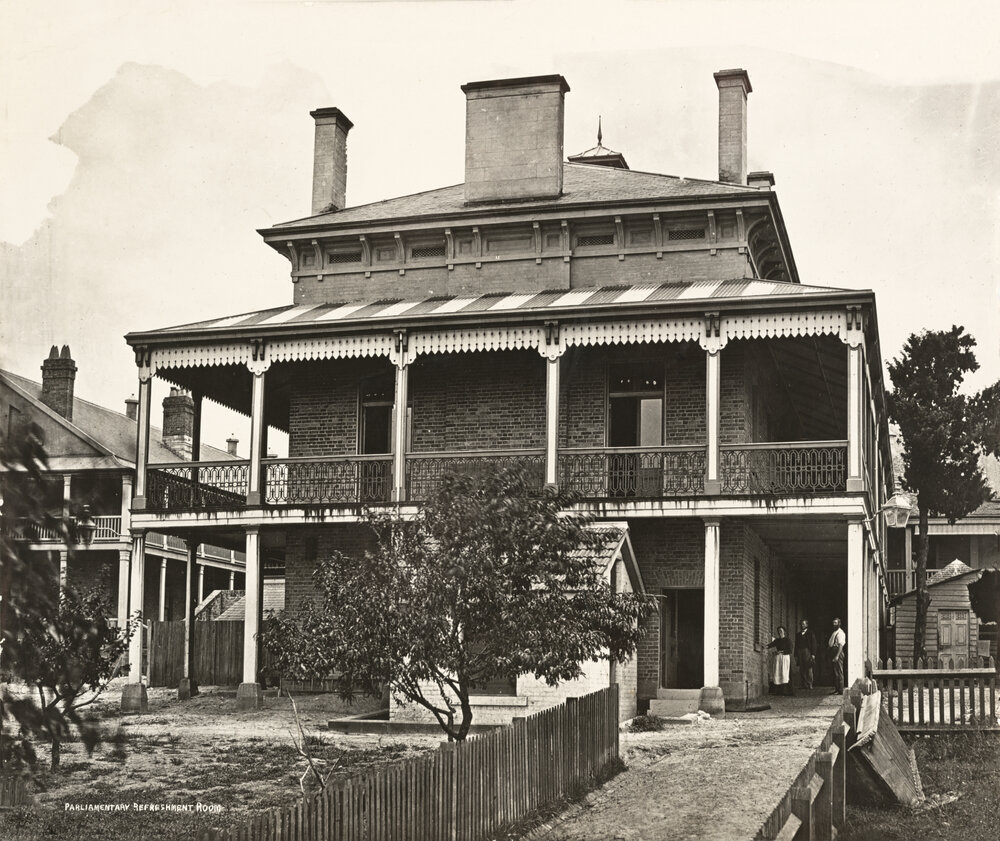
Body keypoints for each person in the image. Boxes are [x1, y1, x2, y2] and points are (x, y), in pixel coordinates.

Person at [766, 626, 794, 696]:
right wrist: (765, 646)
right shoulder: (777, 640)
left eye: (781, 631)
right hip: (778, 658)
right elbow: (771, 645)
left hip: (785, 658)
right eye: (779, 631)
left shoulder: (788, 640)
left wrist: (782, 651)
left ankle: (785, 691)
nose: (780, 632)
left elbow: (790, 650)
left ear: (784, 631)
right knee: (777, 671)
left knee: (784, 672)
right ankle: (778, 691)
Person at [795, 619, 818, 689]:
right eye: (801, 624)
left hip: (807, 652)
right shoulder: (798, 634)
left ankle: (810, 684)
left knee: (809, 668)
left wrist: (813, 654)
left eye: (804, 624)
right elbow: (796, 645)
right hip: (800, 652)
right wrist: (795, 655)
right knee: (802, 668)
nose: (802, 625)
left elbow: (814, 644)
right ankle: (803, 684)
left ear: (807, 625)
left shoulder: (810, 633)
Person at [829, 617, 846, 694]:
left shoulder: (840, 633)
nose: (834, 624)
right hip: (833, 651)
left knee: (839, 672)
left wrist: (837, 656)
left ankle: (840, 690)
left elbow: (840, 645)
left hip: (838, 652)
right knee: (835, 672)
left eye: (836, 623)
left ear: (839, 623)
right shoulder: (834, 632)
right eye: (833, 623)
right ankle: (837, 689)